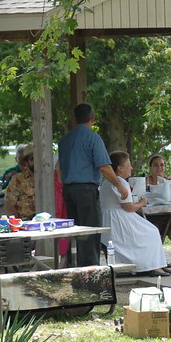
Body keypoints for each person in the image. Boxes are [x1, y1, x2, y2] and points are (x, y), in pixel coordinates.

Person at [59, 103, 128, 267]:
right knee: (90, 231)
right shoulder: (93, 138)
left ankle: (72, 267)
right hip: (86, 189)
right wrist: (119, 185)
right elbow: (104, 166)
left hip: (68, 189)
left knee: (74, 230)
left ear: (75, 119)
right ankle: (90, 271)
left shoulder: (65, 140)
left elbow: (60, 168)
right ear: (93, 118)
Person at [100, 152, 170, 277]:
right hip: (119, 218)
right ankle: (152, 266)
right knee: (152, 231)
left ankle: (144, 264)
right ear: (120, 168)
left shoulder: (106, 182)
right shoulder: (120, 182)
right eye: (128, 165)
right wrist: (142, 203)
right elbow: (129, 207)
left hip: (109, 218)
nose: (131, 168)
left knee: (147, 231)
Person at [3, 145, 36, 219]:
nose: (36, 161)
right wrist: (18, 224)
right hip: (24, 223)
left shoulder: (50, 178)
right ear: (26, 162)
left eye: (38, 158)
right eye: (32, 159)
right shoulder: (17, 180)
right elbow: (9, 205)